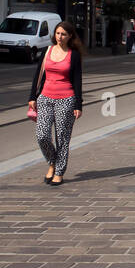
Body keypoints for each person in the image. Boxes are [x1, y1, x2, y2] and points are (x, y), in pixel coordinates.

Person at [27, 21, 84, 186]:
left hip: (66, 99)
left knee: (63, 138)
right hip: (45, 98)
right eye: (58, 33)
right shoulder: (47, 51)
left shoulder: (74, 55)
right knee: (42, 135)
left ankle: (59, 171)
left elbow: (77, 80)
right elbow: (38, 74)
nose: (60, 37)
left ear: (70, 36)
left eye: (64, 34)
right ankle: (52, 161)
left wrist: (78, 105)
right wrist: (32, 97)